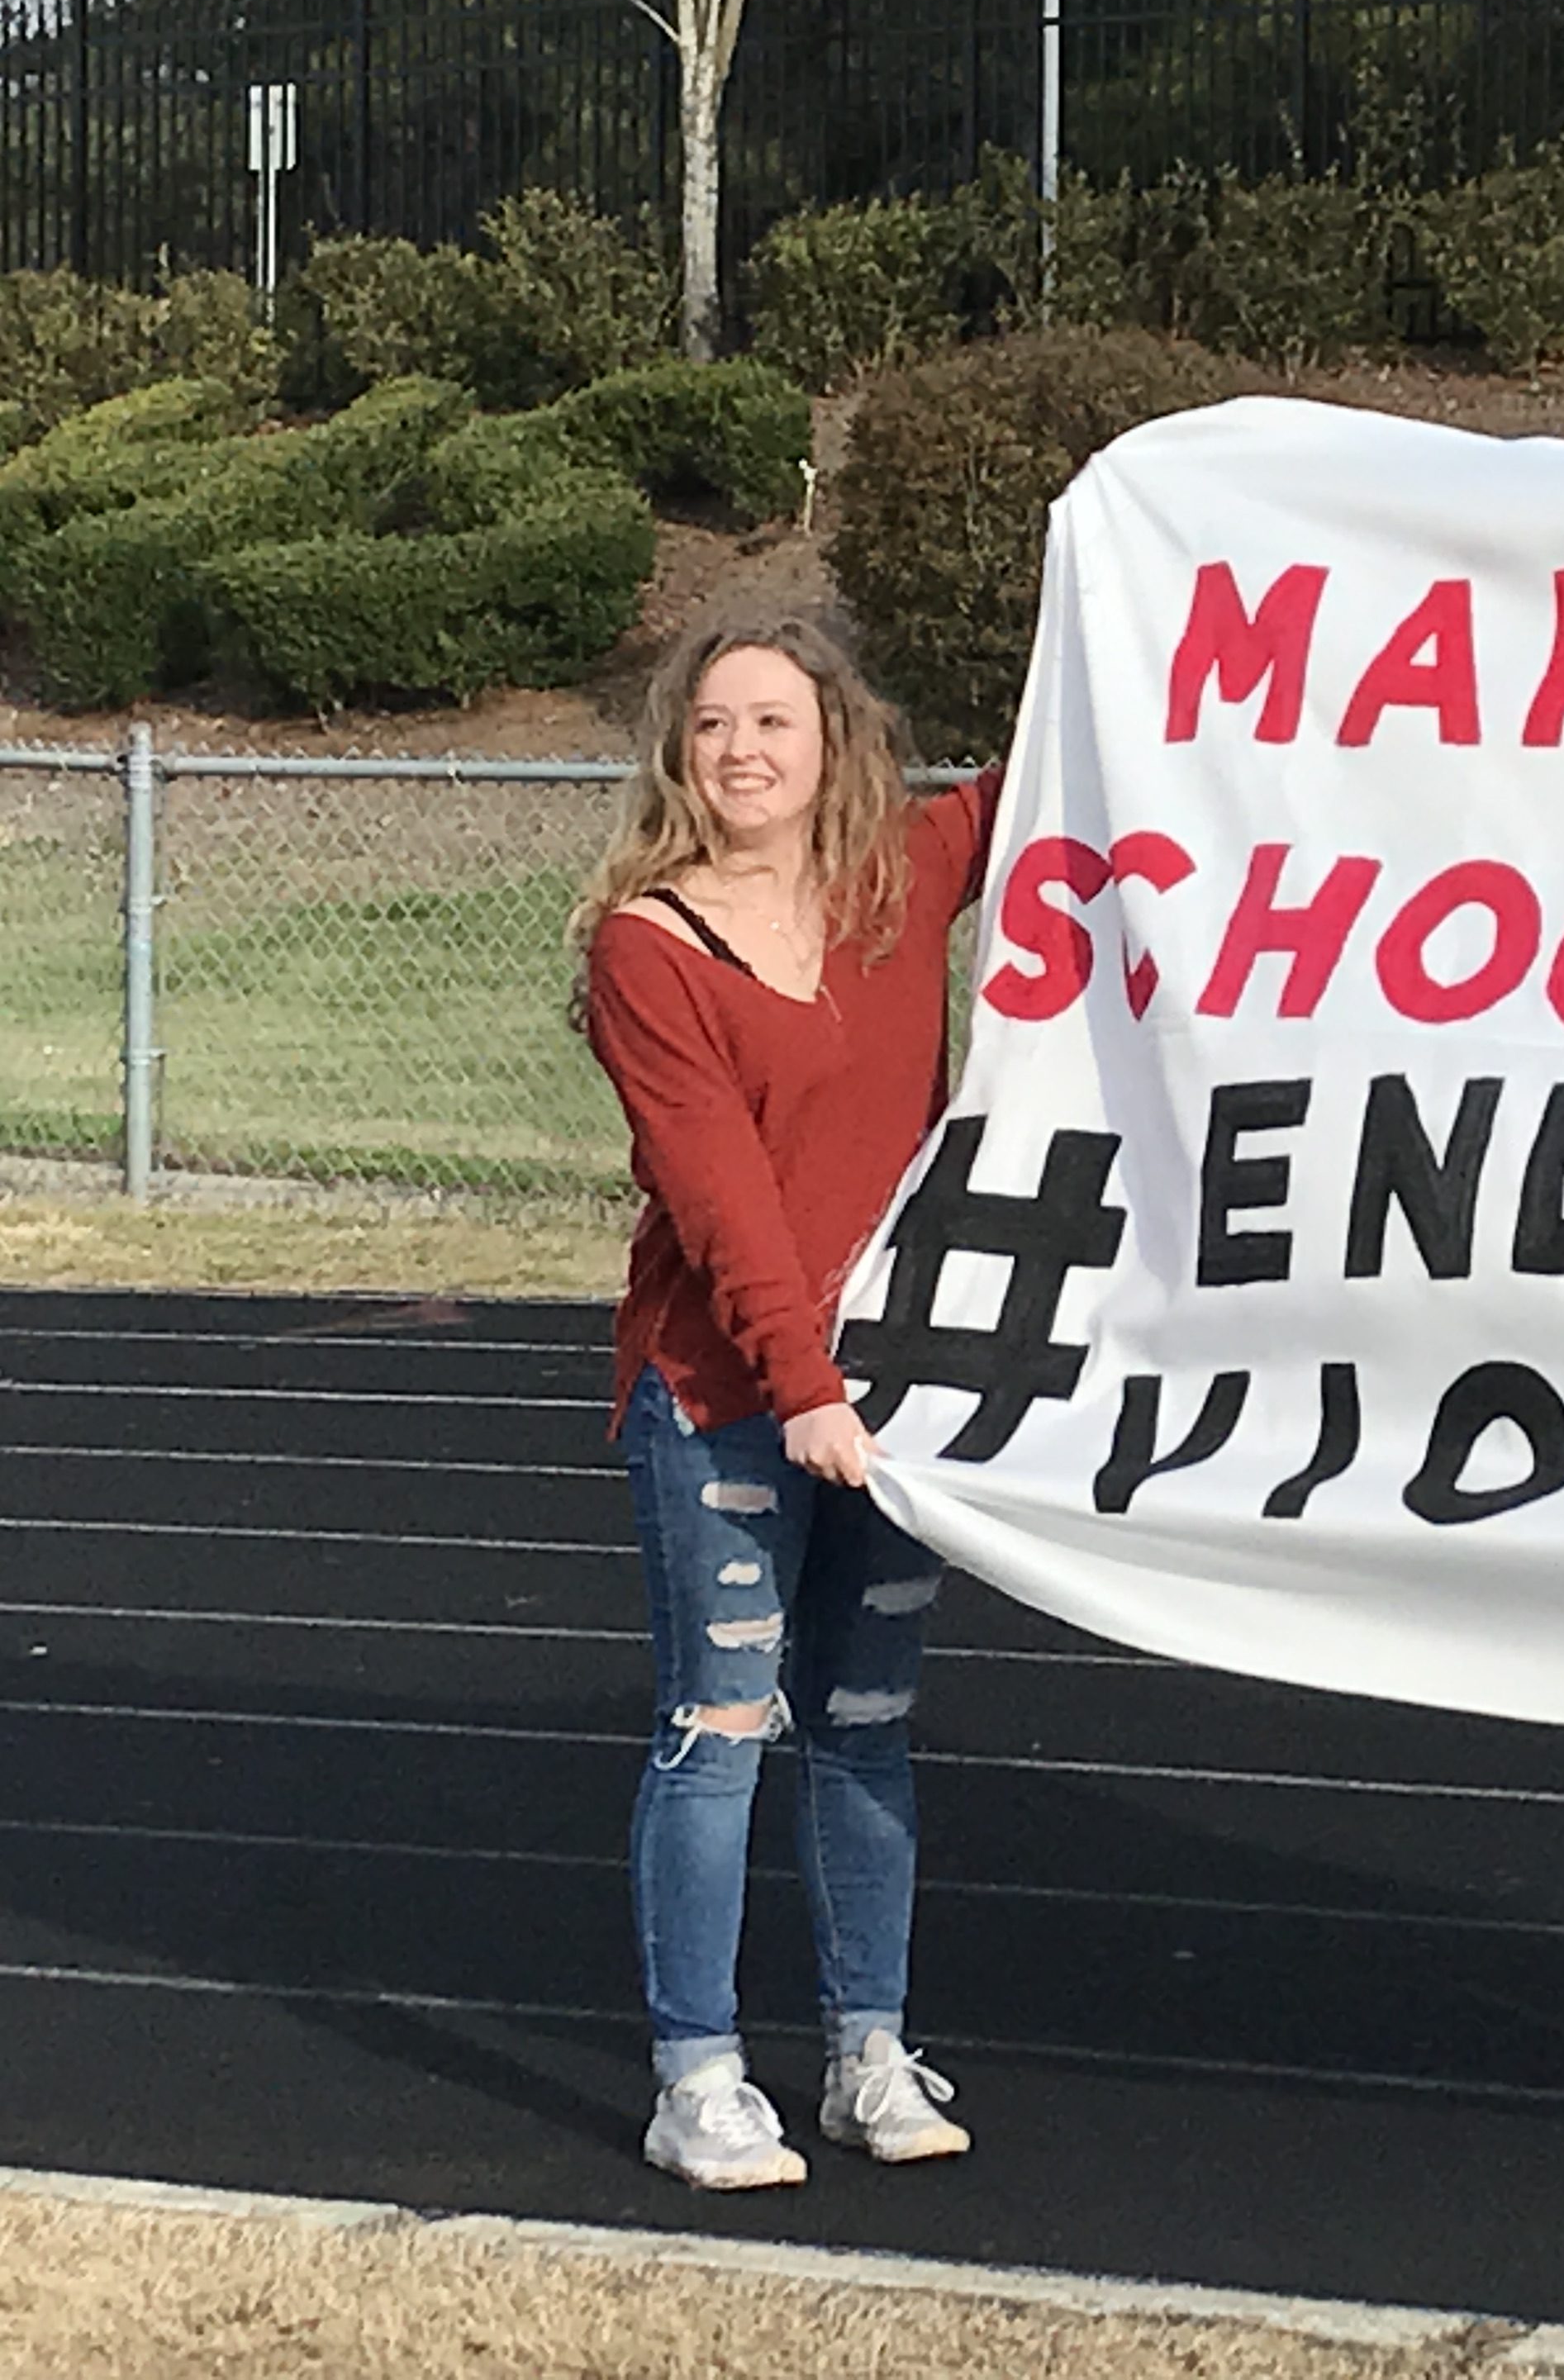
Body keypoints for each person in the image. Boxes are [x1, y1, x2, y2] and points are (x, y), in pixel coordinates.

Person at [572, 613, 1002, 2191]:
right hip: (725, 1398)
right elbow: (722, 1200)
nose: (742, 751)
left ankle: (867, 2054)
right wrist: (804, 1391)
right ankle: (699, 2075)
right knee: (722, 1723)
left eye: (773, 721)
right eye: (710, 727)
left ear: (839, 738)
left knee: (868, 1729)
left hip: (896, 1396)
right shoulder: (647, 946)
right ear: (677, 755)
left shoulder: (906, 876)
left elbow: (1089, 771)